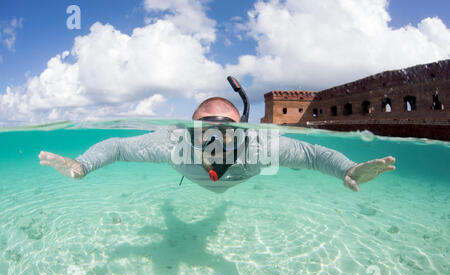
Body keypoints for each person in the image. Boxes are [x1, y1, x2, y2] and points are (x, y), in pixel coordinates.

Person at [39, 95, 395, 193]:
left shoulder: (261, 147)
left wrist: (347, 168)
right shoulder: (170, 144)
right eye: (204, 129)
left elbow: (315, 154)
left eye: (228, 130)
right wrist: (81, 164)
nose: (216, 140)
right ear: (188, 131)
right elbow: (116, 146)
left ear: (244, 131)